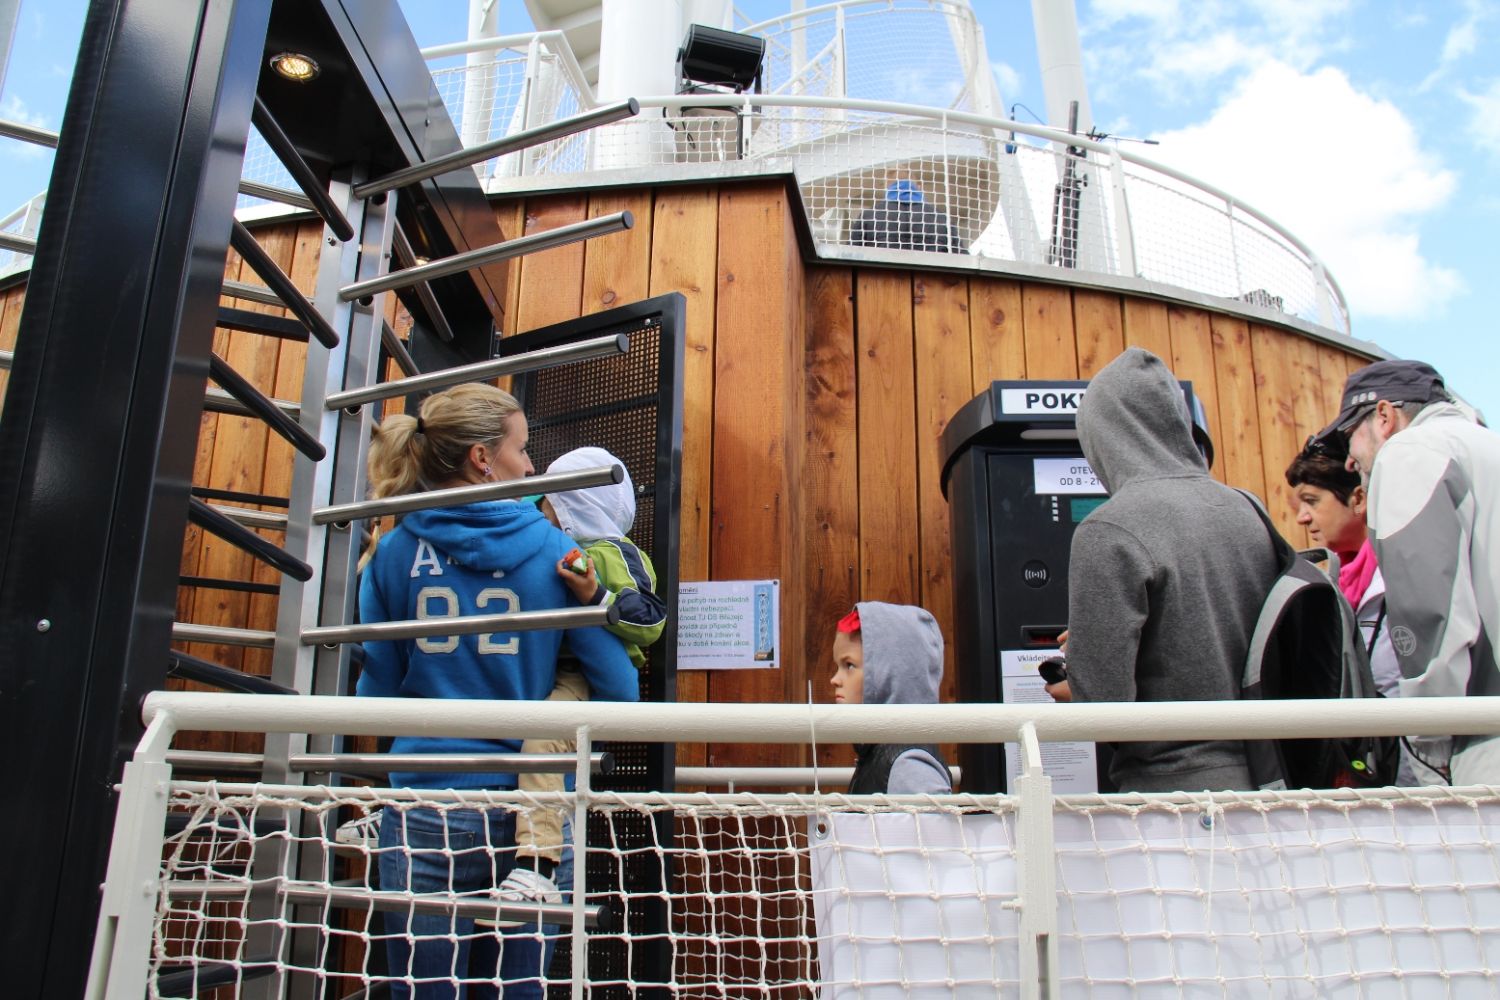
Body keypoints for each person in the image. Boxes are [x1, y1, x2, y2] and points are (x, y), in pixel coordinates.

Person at [357, 383, 639, 999]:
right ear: (483, 458)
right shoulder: (558, 551)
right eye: (523, 448)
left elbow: (374, 693)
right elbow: (621, 692)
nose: (532, 467)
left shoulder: (392, 551)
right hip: (528, 817)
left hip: (423, 806)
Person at [1043, 347, 1279, 793]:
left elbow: (1103, 709)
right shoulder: (1249, 509)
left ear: (1100, 437)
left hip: (1171, 794)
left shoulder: (1109, 526)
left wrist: (1081, 675)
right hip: (1271, 778)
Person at [1314, 359, 1500, 785]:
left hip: (1485, 742)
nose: (1349, 463)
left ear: (1383, 417)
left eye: (1349, 437)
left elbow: (1430, 616)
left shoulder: (1409, 452)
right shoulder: (1486, 446)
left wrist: (1428, 747)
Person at [506, 446, 665, 904]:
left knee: (543, 742)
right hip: (544, 661)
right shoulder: (545, 540)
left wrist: (597, 596)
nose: (541, 509)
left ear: (576, 505)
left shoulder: (616, 552)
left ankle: (538, 864)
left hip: (584, 678)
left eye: (550, 501)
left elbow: (651, 618)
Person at [829, 602, 952, 794]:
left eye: (849, 665)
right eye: (838, 666)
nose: (834, 680)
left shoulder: (909, 766)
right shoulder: (879, 751)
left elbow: (932, 814)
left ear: (890, 674)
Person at [848, 177, 964, 253]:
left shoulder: (869, 215)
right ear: (918, 187)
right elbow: (961, 257)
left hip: (881, 281)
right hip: (931, 282)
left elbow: (850, 253)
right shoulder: (941, 218)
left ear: (887, 187)